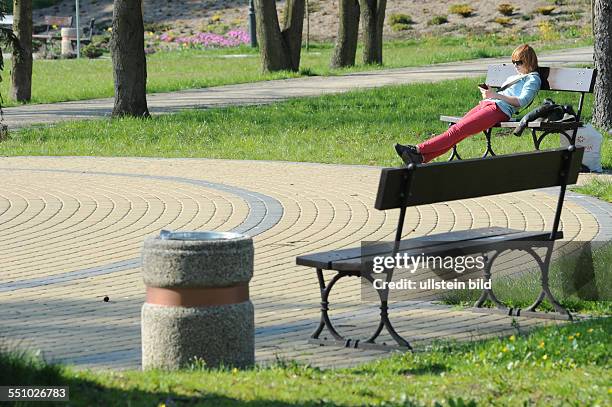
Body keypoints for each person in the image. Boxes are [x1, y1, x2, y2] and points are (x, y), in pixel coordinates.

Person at [395, 44, 542, 165]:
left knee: (457, 130)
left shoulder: (533, 79)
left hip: (499, 110)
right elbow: (501, 95)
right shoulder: (516, 76)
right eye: (514, 62)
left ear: (529, 61)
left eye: (519, 62)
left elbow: (522, 101)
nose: (515, 66)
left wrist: (495, 95)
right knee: (458, 132)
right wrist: (488, 94)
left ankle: (416, 149)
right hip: (488, 104)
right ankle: (421, 158)